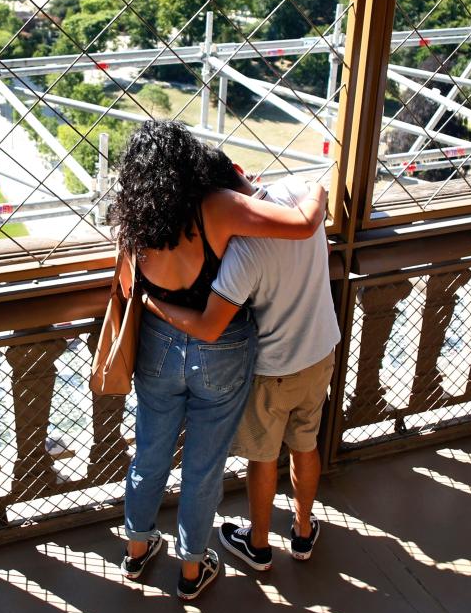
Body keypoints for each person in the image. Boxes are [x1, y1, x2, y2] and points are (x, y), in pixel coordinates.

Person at [111, 121, 327, 601]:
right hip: (221, 347)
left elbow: (128, 287)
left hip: (158, 348)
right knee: (203, 466)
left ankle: (137, 547)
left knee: (149, 452)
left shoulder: (133, 217)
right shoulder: (215, 208)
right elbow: (302, 224)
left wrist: (155, 304)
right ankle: (192, 568)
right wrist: (317, 189)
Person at [142, 170, 339, 573]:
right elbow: (321, 187)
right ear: (240, 174)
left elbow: (210, 326)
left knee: (263, 456)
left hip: (274, 367)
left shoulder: (244, 251)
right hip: (321, 349)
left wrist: (154, 306)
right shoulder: (300, 194)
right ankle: (303, 532)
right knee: (306, 443)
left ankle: (259, 545)